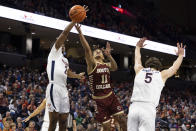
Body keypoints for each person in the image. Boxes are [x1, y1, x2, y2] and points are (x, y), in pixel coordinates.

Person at [75, 24, 127, 131]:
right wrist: (80, 33)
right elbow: (87, 50)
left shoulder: (106, 64)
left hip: (111, 96)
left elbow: (115, 67)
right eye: (95, 51)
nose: (98, 51)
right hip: (99, 101)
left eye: (99, 51)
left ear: (103, 56)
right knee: (107, 128)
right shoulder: (92, 65)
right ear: (92, 56)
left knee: (122, 119)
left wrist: (109, 55)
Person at [127, 38, 186, 131]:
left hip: (134, 107)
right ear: (159, 67)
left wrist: (138, 47)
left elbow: (137, 59)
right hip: (148, 109)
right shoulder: (161, 74)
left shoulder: (139, 70)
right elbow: (174, 68)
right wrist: (181, 55)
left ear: (147, 64)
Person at [46, 19, 86, 131]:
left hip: (64, 89)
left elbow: (67, 73)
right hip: (54, 87)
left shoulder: (65, 60)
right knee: (53, 121)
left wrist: (77, 76)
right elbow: (64, 34)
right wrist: (74, 22)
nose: (63, 44)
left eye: (64, 44)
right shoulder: (53, 53)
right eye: (61, 43)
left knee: (64, 120)